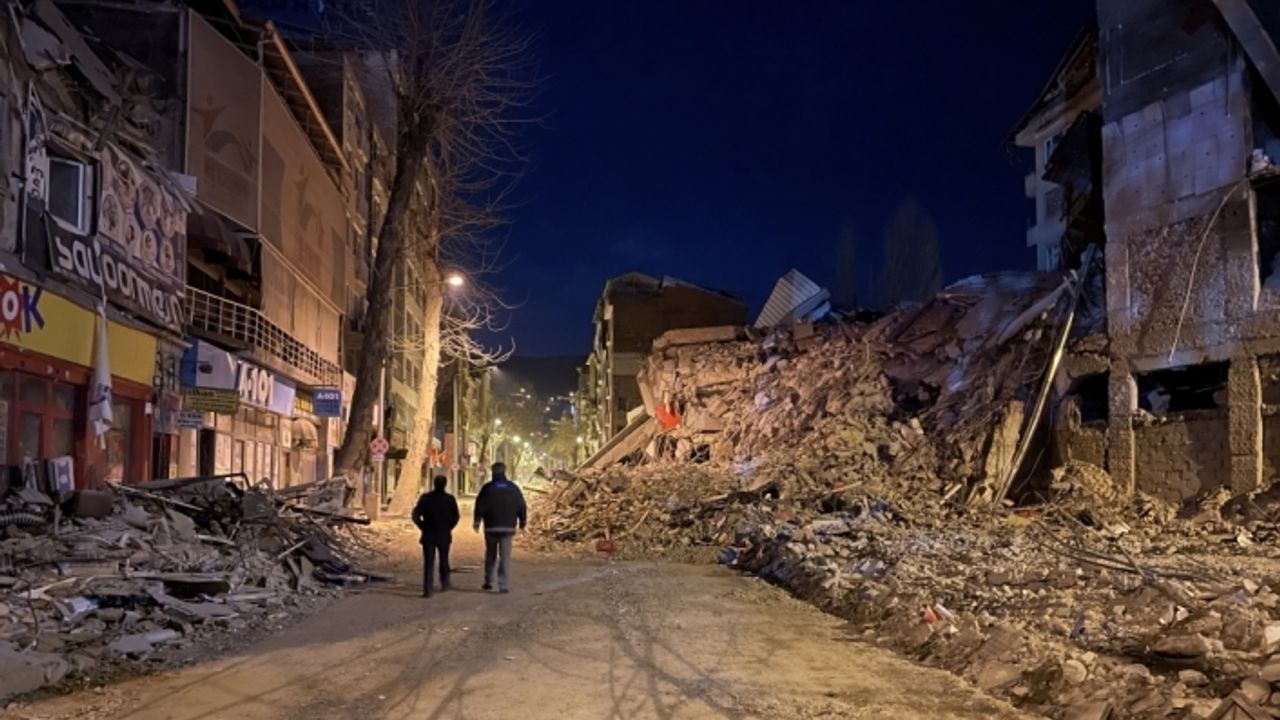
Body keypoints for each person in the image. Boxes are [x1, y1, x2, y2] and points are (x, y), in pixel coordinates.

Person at [473, 462, 527, 593]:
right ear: (504, 471)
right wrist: (522, 521)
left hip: (491, 527)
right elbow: (521, 505)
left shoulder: (488, 488)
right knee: (505, 557)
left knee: (490, 554)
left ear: (493, 472)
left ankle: (488, 581)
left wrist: (477, 521)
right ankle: (503, 585)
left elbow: (479, 505)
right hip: (508, 528)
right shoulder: (513, 488)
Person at [412, 475, 459, 598]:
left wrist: (422, 526)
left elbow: (415, 515)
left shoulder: (426, 498)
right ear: (445, 484)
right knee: (444, 560)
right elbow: (456, 517)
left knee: (429, 562)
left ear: (434, 484)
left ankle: (428, 589)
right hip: (444, 534)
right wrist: (449, 527)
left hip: (428, 534)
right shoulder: (449, 499)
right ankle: (444, 583)